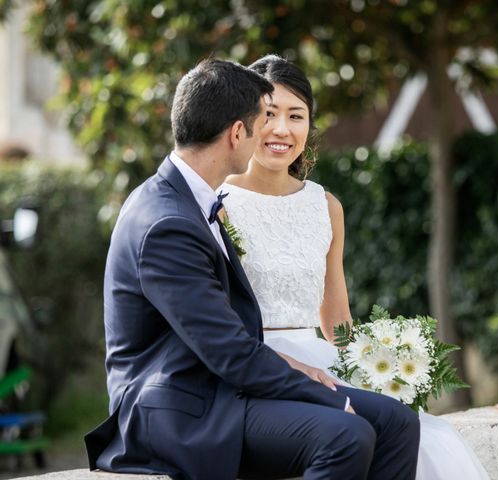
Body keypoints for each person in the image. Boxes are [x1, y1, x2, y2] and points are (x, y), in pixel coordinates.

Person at [85, 57, 420, 480]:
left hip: (221, 386)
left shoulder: (190, 198)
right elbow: (227, 351)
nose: (271, 131)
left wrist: (304, 368)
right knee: (345, 434)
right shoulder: (167, 222)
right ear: (237, 133)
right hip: (179, 408)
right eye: (262, 120)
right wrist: (330, 398)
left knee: (396, 422)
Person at [222, 54, 490, 480]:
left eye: (296, 115)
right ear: (245, 120)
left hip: (319, 358)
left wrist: (371, 365)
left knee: (431, 439)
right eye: (268, 114)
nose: (281, 130)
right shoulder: (219, 205)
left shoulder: (325, 206)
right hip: (254, 365)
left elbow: (336, 315)